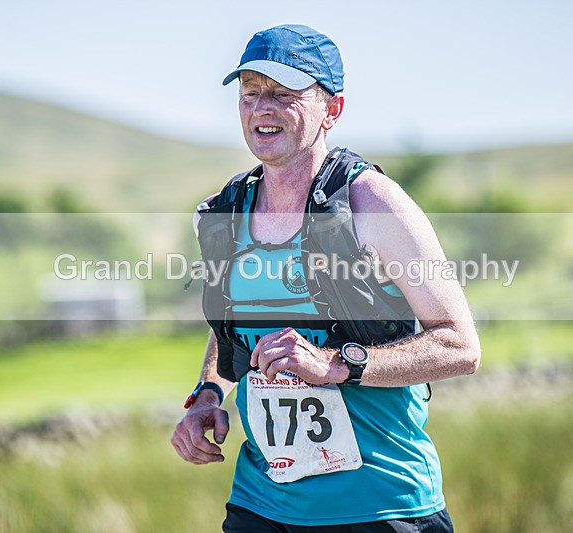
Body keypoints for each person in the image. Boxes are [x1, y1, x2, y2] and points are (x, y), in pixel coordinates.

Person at [171, 24, 480, 532]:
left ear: (331, 110)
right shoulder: (224, 213)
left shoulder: (373, 203)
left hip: (382, 507)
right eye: (250, 93)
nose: (261, 108)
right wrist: (206, 396)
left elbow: (460, 346)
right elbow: (231, 329)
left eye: (284, 94)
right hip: (261, 505)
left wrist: (337, 365)